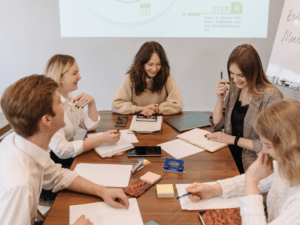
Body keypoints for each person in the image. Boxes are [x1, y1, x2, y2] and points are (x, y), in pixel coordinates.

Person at [0, 75, 129, 225]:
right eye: (59, 102)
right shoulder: (20, 185)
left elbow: (57, 176)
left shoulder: (21, 141)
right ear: (47, 120)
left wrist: (103, 191)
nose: (64, 103)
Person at [186, 99, 300, 224]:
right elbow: (264, 181)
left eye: (268, 145)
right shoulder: (287, 164)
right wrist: (214, 189)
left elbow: (254, 180)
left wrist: (251, 181)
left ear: (291, 146)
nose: (264, 151)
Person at [207, 44, 283, 174]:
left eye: (240, 75)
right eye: (232, 74)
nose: (235, 80)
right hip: (229, 154)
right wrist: (220, 99)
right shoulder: (236, 89)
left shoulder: (271, 96)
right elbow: (218, 124)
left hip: (254, 161)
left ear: (253, 72)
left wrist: (232, 140)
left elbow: (272, 144)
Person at [44, 54, 120, 168]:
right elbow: (62, 151)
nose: (79, 77)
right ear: (59, 78)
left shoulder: (69, 95)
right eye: (74, 73)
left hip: (68, 156)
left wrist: (92, 103)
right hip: (53, 164)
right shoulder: (49, 106)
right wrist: (102, 139)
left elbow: (89, 125)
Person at [112, 41, 183, 116]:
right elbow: (116, 105)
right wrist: (143, 108)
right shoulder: (130, 78)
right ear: (141, 64)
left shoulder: (167, 76)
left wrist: (158, 109)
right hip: (137, 119)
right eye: (150, 64)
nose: (154, 69)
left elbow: (178, 104)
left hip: (160, 120)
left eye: (158, 64)